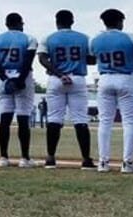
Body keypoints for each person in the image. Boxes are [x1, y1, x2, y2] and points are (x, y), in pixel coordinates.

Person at [38, 10, 95, 170]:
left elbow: (42, 58)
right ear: (72, 21)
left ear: (57, 22)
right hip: (77, 78)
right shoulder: (84, 38)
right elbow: (92, 59)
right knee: (80, 119)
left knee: (54, 118)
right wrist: (79, 59)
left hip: (56, 79)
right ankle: (86, 159)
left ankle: (50, 158)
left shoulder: (48, 38)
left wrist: (59, 74)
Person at [91, 9, 133, 174]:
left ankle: (103, 162)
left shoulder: (95, 39)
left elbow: (91, 58)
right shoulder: (131, 37)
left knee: (104, 121)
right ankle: (127, 162)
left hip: (105, 78)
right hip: (125, 77)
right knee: (129, 122)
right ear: (120, 21)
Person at [0, 13, 39, 168]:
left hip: (3, 77)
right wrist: (20, 80)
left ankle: (3, 157)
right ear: (20, 23)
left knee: (5, 118)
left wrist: (6, 79)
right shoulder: (29, 39)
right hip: (22, 76)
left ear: (6, 24)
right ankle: (24, 158)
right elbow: (28, 61)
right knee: (23, 118)